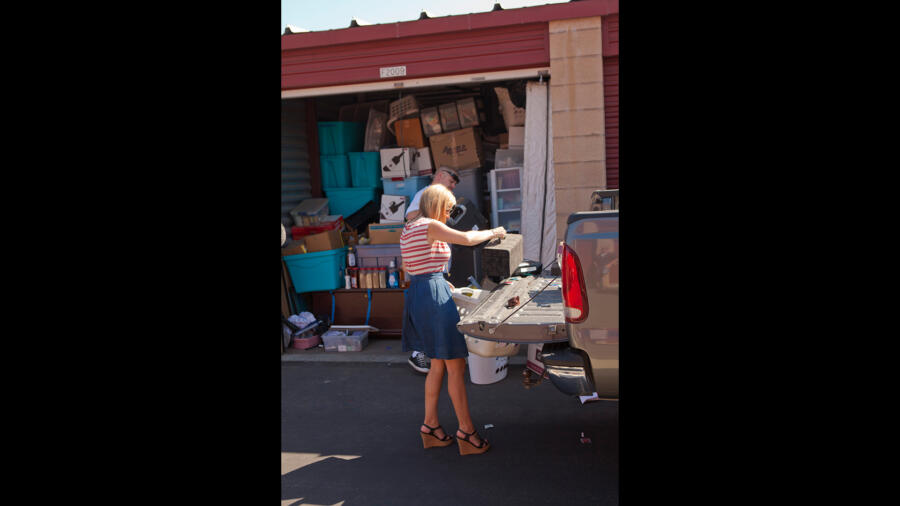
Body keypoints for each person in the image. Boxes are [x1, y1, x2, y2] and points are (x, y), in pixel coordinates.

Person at [400, 184, 506, 456]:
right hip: (434, 297)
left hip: (418, 293)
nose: (448, 214)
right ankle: (466, 432)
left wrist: (435, 279)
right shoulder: (430, 225)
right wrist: (494, 232)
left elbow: (409, 267)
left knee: (437, 364)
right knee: (456, 366)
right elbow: (467, 239)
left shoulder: (408, 228)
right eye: (447, 209)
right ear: (436, 205)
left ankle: (430, 426)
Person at [403, 166, 460, 374]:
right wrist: (433, 219)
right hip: (428, 272)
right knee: (433, 319)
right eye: (451, 181)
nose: (452, 186)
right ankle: (421, 353)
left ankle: (433, 356)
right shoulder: (425, 195)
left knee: (432, 320)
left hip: (433, 270)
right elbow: (410, 215)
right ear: (440, 176)